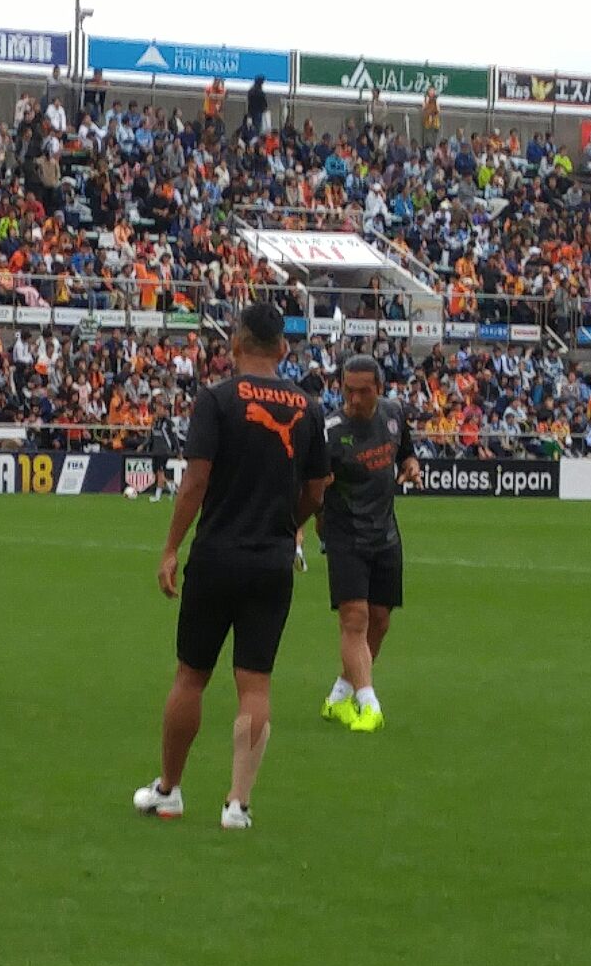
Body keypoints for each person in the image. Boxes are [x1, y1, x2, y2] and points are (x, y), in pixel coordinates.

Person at [135, 303, 327, 830]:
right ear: (283, 348)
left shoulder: (217, 399)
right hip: (272, 561)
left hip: (217, 554)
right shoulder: (309, 408)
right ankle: (238, 804)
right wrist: (289, 524)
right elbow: (317, 492)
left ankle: (170, 790)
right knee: (255, 684)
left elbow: (196, 481)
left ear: (236, 345)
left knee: (191, 676)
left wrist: (171, 547)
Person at [314, 355, 420, 733]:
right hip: (345, 536)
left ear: (379, 388)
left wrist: (411, 464)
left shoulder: (394, 414)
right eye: (348, 391)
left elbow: (406, 452)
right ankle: (368, 703)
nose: (354, 399)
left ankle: (339, 696)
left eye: (363, 392)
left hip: (385, 533)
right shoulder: (329, 431)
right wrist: (313, 513)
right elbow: (309, 485)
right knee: (354, 619)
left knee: (380, 621)